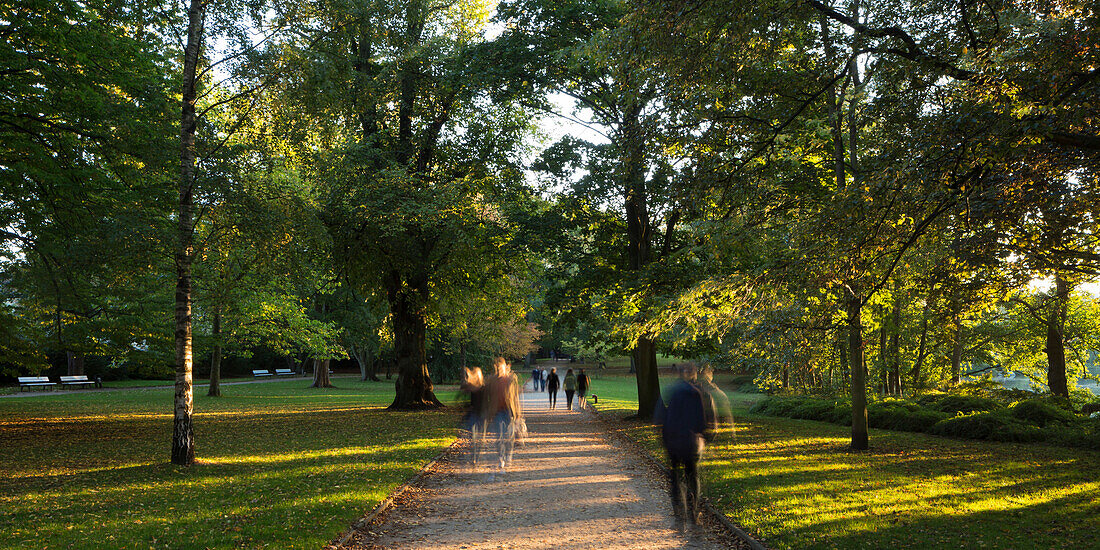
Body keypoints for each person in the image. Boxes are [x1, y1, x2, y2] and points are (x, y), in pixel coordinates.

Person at [656, 363, 716, 528]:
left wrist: (664, 437)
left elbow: (660, 416)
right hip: (691, 443)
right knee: (692, 475)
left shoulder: (672, 391)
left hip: (674, 442)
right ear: (694, 374)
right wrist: (706, 436)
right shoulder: (701, 393)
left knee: (675, 478)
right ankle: (693, 513)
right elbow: (706, 421)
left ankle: (679, 516)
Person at [485, 357, 521, 479]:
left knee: (508, 436)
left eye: (500, 368)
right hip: (497, 412)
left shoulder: (511, 379)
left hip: (509, 411)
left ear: (505, 367)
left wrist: (518, 414)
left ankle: (508, 453)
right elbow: (488, 398)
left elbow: (516, 397)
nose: (498, 370)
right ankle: (501, 460)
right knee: (499, 437)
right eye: (496, 368)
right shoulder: (492, 380)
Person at [459, 366, 486, 467]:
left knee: (479, 438)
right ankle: (474, 457)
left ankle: (476, 456)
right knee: (473, 437)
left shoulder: (484, 388)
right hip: (473, 414)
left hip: (482, 415)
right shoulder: (470, 387)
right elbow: (463, 394)